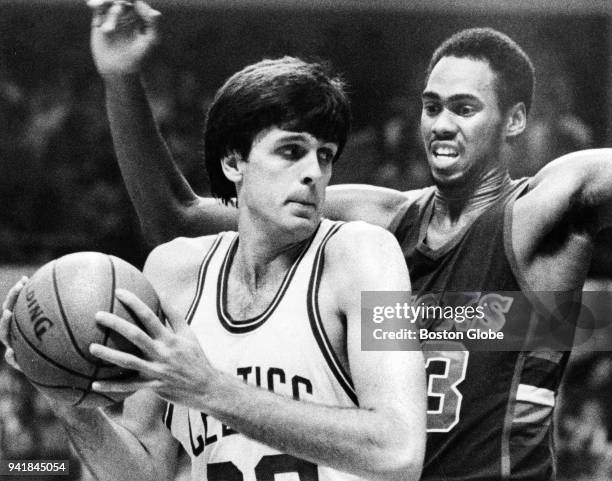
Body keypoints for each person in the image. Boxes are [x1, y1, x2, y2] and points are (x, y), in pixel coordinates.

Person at [85, 2, 612, 479]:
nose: (441, 124)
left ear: (514, 119)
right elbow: (179, 217)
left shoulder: (540, 212)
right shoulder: (378, 224)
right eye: (432, 107)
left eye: (464, 108)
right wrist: (121, 78)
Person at [0, 18, 428, 481]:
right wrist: (66, 398)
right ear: (232, 161)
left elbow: (399, 450)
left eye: (324, 154)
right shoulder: (172, 273)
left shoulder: (365, 256)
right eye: (290, 151)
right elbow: (144, 474)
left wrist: (210, 389)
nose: (314, 172)